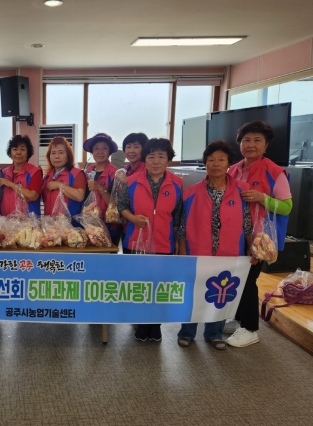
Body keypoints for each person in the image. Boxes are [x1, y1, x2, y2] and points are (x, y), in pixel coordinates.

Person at [177, 141, 253, 350]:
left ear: (229, 163)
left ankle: (214, 333)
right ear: (205, 163)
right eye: (211, 160)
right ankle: (186, 332)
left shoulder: (242, 191)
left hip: (229, 252)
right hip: (197, 251)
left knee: (222, 293)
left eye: (221, 160)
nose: (216, 164)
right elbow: (182, 225)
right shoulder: (190, 192)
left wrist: (250, 247)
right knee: (193, 293)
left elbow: (247, 222)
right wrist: (182, 249)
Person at [225, 120, 292, 348]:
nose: (251, 144)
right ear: (239, 144)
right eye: (246, 140)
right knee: (235, 277)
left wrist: (263, 198)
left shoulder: (275, 172)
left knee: (248, 280)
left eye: (257, 140)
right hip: (233, 235)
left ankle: (250, 328)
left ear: (266, 145)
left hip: (258, 239)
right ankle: (239, 319)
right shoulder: (233, 170)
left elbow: (287, 207)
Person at [117, 138, 183, 342]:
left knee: (160, 287)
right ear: (144, 159)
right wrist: (132, 218)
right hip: (136, 242)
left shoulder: (178, 184)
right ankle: (142, 324)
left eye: (161, 156)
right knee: (139, 286)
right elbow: (121, 207)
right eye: (151, 156)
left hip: (165, 243)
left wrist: (178, 244)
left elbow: (178, 217)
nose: (156, 161)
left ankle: (155, 326)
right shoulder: (131, 181)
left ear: (168, 159)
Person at [83, 133, 119, 240]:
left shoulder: (116, 174)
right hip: (90, 224)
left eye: (104, 148)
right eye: (96, 148)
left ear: (110, 151)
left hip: (109, 226)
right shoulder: (89, 171)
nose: (100, 152)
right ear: (92, 151)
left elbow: (116, 205)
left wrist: (100, 188)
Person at [0, 135, 43, 216]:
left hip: (28, 222)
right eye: (15, 149)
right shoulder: (3, 173)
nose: (18, 152)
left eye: (22, 149)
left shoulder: (35, 172)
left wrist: (10, 184)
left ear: (28, 153)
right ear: (10, 152)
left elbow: (32, 196)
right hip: (6, 220)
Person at [42, 136, 86, 216]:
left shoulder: (76, 173)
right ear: (49, 156)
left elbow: (79, 196)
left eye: (61, 152)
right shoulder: (47, 177)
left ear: (68, 155)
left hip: (70, 223)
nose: (57, 156)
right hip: (50, 222)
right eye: (53, 153)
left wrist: (59, 185)